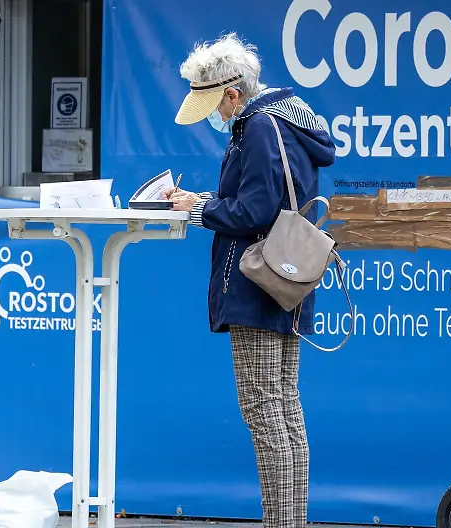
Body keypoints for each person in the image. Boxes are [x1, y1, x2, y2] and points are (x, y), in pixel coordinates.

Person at [166, 32, 336, 528]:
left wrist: (199, 208)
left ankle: (280, 525)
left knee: (264, 412)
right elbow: (266, 199)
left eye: (216, 105)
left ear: (234, 94)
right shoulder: (287, 121)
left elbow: (255, 210)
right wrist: (213, 200)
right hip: (287, 281)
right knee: (284, 409)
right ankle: (291, 522)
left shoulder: (257, 126)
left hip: (258, 282)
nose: (217, 116)